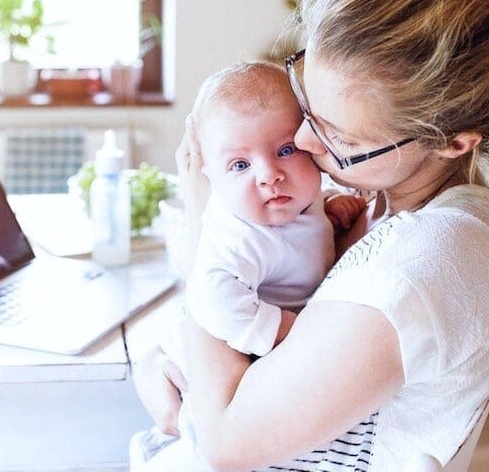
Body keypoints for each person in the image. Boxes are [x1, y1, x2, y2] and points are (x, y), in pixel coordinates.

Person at [132, 0, 489, 470]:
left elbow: (223, 447)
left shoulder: (420, 268)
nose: (307, 142)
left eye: (338, 135)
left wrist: (207, 220)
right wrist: (164, 355)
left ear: (454, 142)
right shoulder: (379, 202)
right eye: (306, 105)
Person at [132, 62, 365, 469]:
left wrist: (329, 207)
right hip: (223, 350)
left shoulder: (301, 198)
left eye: (285, 150)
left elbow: (305, 219)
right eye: (240, 165)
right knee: (194, 443)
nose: (269, 175)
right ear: (210, 177)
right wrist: (287, 331)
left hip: (249, 351)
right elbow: (215, 299)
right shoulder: (238, 235)